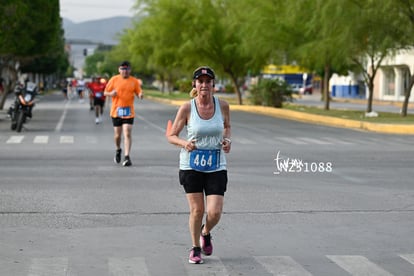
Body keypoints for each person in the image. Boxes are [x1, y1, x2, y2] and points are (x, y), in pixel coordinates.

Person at [166, 66, 232, 264]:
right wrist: (184, 143)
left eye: (208, 81)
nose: (204, 85)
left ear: (213, 84)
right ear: (195, 84)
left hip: (216, 164)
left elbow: (227, 127)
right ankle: (195, 248)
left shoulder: (223, 106)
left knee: (214, 212)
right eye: (200, 81)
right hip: (191, 165)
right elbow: (171, 135)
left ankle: (206, 232)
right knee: (197, 210)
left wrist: (227, 141)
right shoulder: (187, 108)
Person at [104, 61, 143, 167]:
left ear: (130, 70)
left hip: (128, 112)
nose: (125, 71)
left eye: (127, 69)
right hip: (116, 111)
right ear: (119, 70)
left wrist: (140, 94)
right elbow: (105, 92)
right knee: (117, 135)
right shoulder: (114, 80)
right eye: (123, 69)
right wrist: (111, 93)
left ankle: (127, 156)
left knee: (127, 132)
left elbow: (138, 91)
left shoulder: (134, 81)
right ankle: (118, 149)